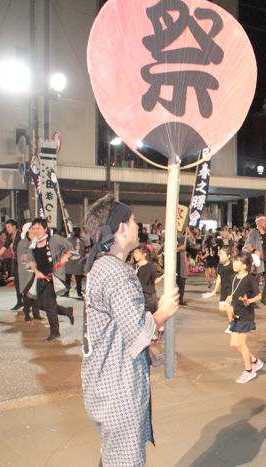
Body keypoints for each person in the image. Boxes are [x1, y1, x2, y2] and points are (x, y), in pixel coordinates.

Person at [81, 194, 179, 466]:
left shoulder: (103, 267)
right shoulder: (116, 272)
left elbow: (121, 330)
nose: (138, 225)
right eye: (134, 220)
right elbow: (138, 332)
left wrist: (153, 354)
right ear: (121, 228)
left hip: (104, 383)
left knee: (112, 457)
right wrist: (163, 312)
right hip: (117, 390)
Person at [26, 218, 74, 341]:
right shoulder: (32, 244)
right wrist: (37, 273)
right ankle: (66, 311)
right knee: (39, 304)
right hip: (41, 278)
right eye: (33, 228)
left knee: (48, 303)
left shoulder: (54, 239)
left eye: (38, 228)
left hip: (54, 277)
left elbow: (69, 246)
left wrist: (65, 256)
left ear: (45, 229)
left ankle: (55, 332)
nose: (35, 231)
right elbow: (31, 262)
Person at [226, 251, 264, 384]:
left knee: (240, 343)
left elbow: (258, 296)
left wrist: (249, 301)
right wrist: (230, 301)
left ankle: (249, 371)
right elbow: (234, 292)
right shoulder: (234, 277)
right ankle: (255, 361)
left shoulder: (250, 279)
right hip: (236, 313)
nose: (234, 263)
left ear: (244, 265)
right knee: (233, 344)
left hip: (246, 315)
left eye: (237, 261)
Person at [0, 219, 20, 309]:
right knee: (17, 282)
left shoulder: (21, 234)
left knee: (24, 282)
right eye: (6, 227)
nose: (7, 229)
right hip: (16, 260)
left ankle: (29, 302)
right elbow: (4, 248)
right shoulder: (10, 236)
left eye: (9, 227)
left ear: (14, 226)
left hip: (24, 261)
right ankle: (19, 301)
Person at [203, 247, 235, 333]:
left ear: (228, 256)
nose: (220, 255)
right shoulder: (220, 265)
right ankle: (237, 313)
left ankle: (232, 324)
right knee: (221, 308)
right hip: (224, 289)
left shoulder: (233, 266)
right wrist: (214, 291)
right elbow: (219, 278)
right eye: (220, 254)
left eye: (222, 254)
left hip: (232, 289)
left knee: (228, 306)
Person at [244, 214, 266, 305]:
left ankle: (263, 298)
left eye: (265, 220)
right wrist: (256, 251)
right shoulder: (254, 232)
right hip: (258, 260)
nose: (265, 222)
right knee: (255, 282)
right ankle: (251, 301)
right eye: (263, 220)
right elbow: (248, 245)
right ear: (258, 222)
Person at [16, 222, 40, 321]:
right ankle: (26, 314)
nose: (35, 231)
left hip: (35, 271)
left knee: (35, 293)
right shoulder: (23, 243)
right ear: (28, 230)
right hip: (26, 272)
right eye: (33, 229)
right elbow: (23, 258)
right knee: (27, 293)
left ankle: (36, 313)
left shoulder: (35, 241)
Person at [64, 226, 86, 299]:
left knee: (67, 279)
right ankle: (79, 293)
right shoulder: (82, 242)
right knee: (78, 280)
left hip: (70, 262)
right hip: (79, 262)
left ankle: (66, 292)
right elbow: (83, 252)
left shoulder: (68, 240)